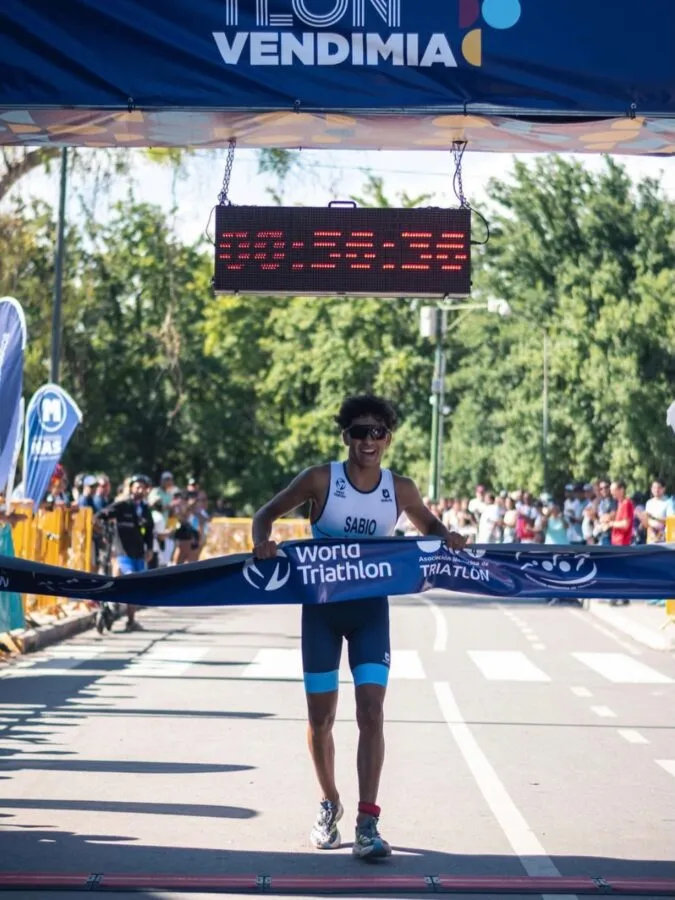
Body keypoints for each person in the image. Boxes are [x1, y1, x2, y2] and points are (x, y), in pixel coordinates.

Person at [251, 395, 467, 860]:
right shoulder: (319, 479)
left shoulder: (400, 488)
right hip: (323, 614)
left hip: (371, 611)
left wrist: (448, 536)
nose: (369, 441)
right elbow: (265, 514)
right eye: (359, 432)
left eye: (378, 432)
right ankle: (329, 801)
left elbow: (430, 526)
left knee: (371, 710)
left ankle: (368, 821)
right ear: (345, 435)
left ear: (388, 437)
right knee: (320, 719)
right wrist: (262, 541)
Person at [94, 474, 154, 631]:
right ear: (131, 488)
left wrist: (150, 549)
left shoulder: (146, 510)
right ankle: (112, 605)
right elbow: (101, 515)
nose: (139, 490)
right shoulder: (122, 505)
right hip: (122, 551)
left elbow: (149, 532)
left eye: (142, 487)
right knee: (124, 579)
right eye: (136, 487)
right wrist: (101, 531)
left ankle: (131, 620)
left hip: (139, 553)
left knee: (135, 588)